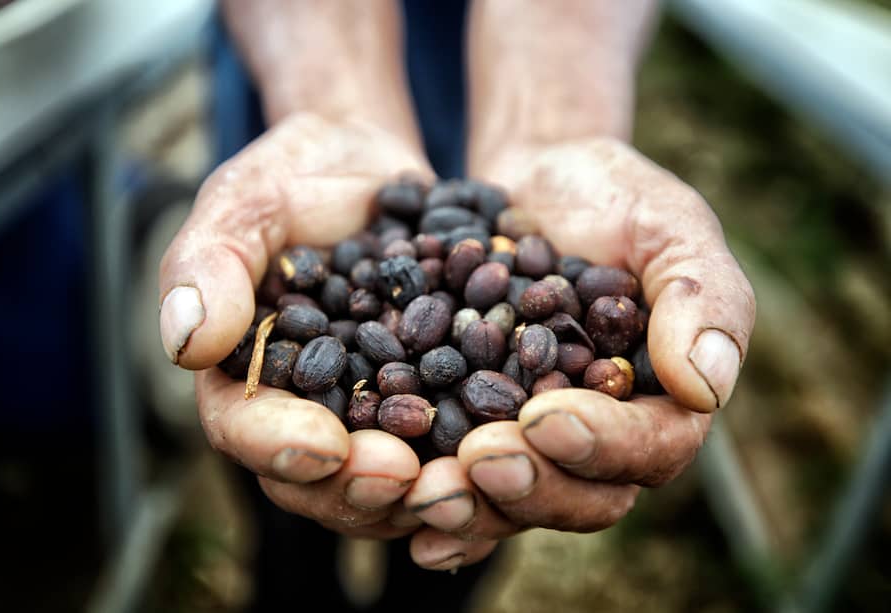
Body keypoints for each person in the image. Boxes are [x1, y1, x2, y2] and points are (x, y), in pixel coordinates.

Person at [158, 0, 756, 609]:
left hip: (508, 72)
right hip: (301, 86)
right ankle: (290, 581)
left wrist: (559, 121)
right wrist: (329, 105)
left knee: (470, 511)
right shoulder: (366, 308)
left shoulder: (503, 314)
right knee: (289, 508)